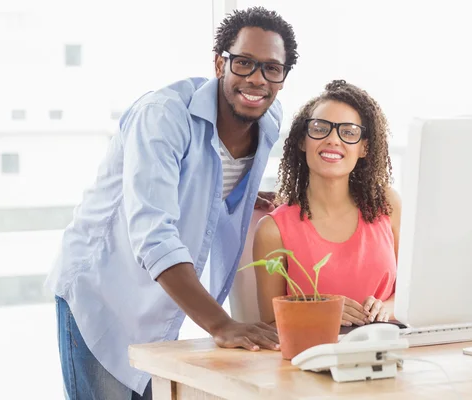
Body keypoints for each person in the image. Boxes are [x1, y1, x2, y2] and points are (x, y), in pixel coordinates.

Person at [44, 7, 298, 399]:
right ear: (219, 63)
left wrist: (245, 190)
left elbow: (212, 173)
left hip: (161, 302)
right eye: (244, 63)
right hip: (101, 294)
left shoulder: (269, 120)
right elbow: (153, 233)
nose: (256, 79)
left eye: (271, 68)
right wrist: (221, 324)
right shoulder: (163, 117)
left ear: (283, 78)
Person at [253, 80, 402, 328]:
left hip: (385, 347)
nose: (333, 140)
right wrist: (323, 312)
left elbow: (411, 293)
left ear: (364, 147)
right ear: (303, 140)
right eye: (320, 128)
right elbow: (269, 322)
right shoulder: (272, 230)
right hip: (312, 357)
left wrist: (385, 308)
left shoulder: (388, 205)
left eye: (349, 132)